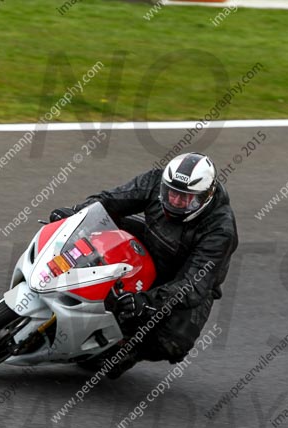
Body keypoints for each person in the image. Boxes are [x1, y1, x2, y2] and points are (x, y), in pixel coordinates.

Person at [50, 152, 238, 378]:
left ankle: (127, 348)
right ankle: (56, 275)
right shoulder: (155, 181)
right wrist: (76, 215)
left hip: (185, 279)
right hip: (151, 242)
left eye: (186, 198)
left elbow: (193, 285)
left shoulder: (220, 229)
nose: (175, 202)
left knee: (174, 342)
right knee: (99, 225)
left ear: (205, 197)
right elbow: (111, 200)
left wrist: (146, 302)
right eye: (171, 193)